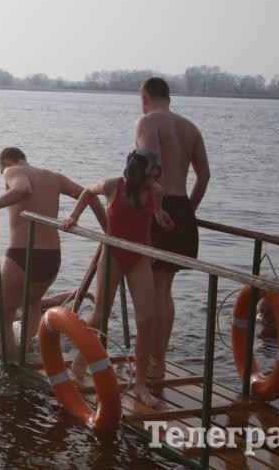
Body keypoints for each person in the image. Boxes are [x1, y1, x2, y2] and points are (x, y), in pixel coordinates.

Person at [60, 148, 174, 406]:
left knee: (146, 320)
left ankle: (140, 385)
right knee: (100, 315)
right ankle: (79, 362)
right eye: (148, 176)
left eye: (155, 177)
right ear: (136, 172)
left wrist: (160, 215)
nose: (152, 182)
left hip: (139, 256)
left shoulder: (155, 191)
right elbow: (87, 193)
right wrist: (73, 217)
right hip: (112, 253)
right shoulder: (111, 186)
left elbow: (154, 212)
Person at [0, 147, 108, 359]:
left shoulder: (12, 170)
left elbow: (23, 189)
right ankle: (28, 353)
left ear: (5, 163)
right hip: (52, 259)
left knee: (1, 314)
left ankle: (11, 365)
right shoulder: (54, 177)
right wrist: (108, 230)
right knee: (31, 303)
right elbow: (90, 196)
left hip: (22, 254)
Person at [134, 77, 210, 380]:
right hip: (181, 208)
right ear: (169, 97)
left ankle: (153, 364)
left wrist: (157, 208)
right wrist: (188, 210)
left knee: (152, 291)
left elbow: (154, 168)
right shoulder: (190, 127)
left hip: (159, 207)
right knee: (164, 290)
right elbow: (204, 175)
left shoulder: (148, 122)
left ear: (144, 97)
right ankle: (159, 361)